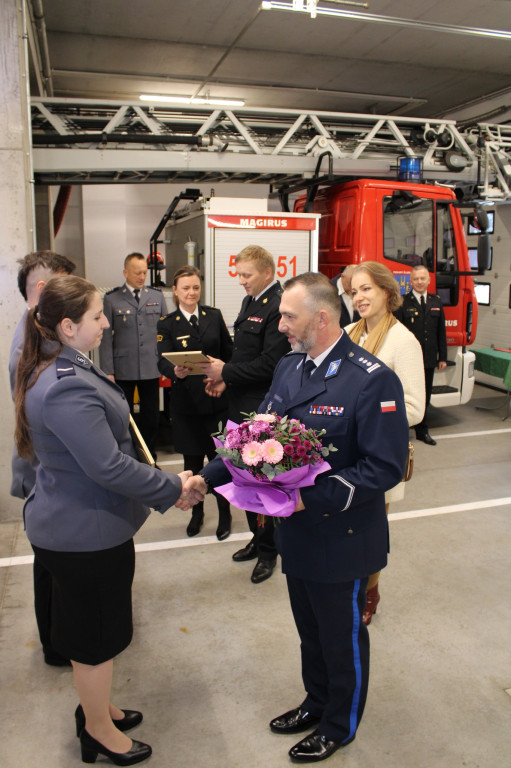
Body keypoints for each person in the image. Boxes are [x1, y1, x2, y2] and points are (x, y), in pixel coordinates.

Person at [189, 272, 409, 762]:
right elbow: (253, 437)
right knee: (310, 630)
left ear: (322, 317)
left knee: (341, 634)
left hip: (341, 533)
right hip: (298, 531)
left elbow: (384, 467)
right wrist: (207, 478)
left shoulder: (371, 379)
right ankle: (316, 701)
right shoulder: (290, 368)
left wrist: (312, 498)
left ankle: (340, 722)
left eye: (289, 316)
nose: (280, 324)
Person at [14, 275, 198, 766]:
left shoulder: (62, 364)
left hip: (79, 524)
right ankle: (97, 730)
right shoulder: (64, 386)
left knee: (96, 628)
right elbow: (107, 466)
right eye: (97, 316)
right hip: (84, 533)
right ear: (68, 325)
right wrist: (173, 489)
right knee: (96, 636)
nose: (104, 323)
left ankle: (99, 708)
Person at [198, 245, 290, 584]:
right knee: (245, 480)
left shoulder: (278, 306)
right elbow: (246, 353)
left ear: (267, 272)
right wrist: (226, 381)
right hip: (242, 404)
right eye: (239, 274)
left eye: (246, 274)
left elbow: (270, 364)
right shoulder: (251, 301)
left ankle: (269, 551)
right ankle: (258, 538)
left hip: (263, 410)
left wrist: (226, 371)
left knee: (263, 484)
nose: (241, 281)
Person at [347, 261, 426, 624]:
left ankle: (370, 591)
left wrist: (368, 419)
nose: (359, 297)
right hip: (347, 452)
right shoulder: (349, 333)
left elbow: (414, 407)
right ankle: (351, 586)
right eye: (354, 291)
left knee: (371, 533)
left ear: (387, 292)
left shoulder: (403, 341)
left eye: (366, 289)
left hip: (379, 455)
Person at [9, 249, 76, 667]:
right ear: (41, 289)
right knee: (51, 567)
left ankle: (58, 639)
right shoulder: (32, 345)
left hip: (48, 468)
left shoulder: (41, 332)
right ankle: (56, 646)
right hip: (48, 471)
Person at [157, 265, 233, 540]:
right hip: (186, 404)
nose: (191, 292)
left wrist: (224, 372)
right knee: (192, 461)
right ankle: (196, 514)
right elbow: (162, 359)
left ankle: (225, 514)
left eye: (196, 287)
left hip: (215, 401)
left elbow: (229, 352)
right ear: (175, 290)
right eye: (185, 288)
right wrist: (172, 371)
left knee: (220, 461)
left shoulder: (213, 315)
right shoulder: (166, 322)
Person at [99, 252, 168, 457]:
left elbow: (164, 333)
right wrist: (108, 370)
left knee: (151, 417)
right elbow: (105, 338)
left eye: (144, 272)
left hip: (150, 367)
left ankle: (149, 455)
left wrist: (165, 364)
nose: (141, 276)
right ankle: (128, 455)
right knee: (123, 415)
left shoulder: (156, 296)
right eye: (137, 272)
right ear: (125, 272)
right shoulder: (112, 299)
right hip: (123, 369)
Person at [395, 264, 447, 446]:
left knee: (424, 396)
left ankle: (422, 430)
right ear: (410, 281)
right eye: (415, 279)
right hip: (408, 360)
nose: (419, 282)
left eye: (422, 278)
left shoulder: (436, 301)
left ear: (428, 280)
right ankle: (401, 429)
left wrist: (442, 357)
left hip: (429, 358)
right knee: (403, 395)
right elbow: (396, 332)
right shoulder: (402, 302)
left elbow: (441, 332)